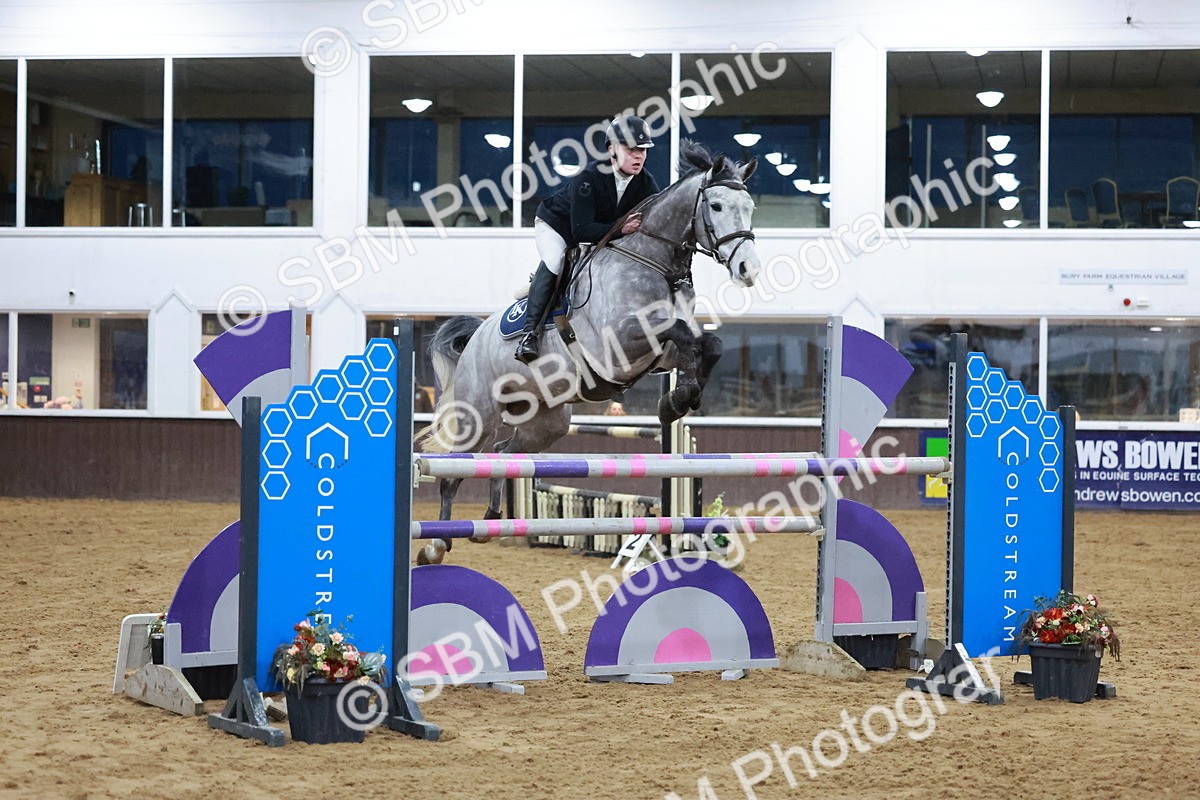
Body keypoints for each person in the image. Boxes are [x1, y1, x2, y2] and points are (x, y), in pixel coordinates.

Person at [514, 114, 661, 363]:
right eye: (631, 149)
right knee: (556, 260)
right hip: (558, 226)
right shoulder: (590, 177)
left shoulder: (646, 183)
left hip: (602, 232)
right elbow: (581, 232)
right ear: (611, 149)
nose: (639, 156)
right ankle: (530, 334)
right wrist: (620, 229)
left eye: (643, 150)